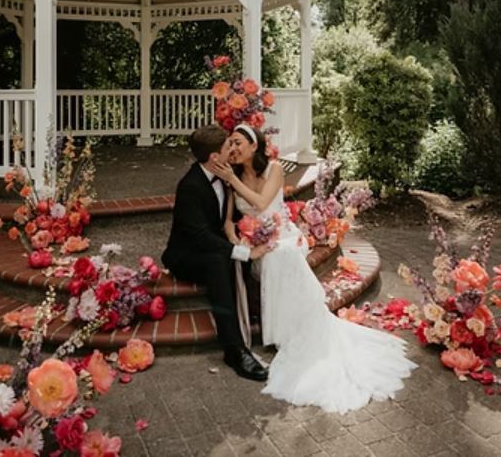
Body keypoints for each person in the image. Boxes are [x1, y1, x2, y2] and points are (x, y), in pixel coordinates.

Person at [210, 123, 417, 414]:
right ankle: (288, 332)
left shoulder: (274, 169)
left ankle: (297, 332)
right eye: (229, 144)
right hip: (259, 243)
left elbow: (261, 202)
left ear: (253, 145)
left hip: (285, 235)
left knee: (283, 255)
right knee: (274, 257)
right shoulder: (231, 183)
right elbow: (229, 221)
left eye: (237, 142)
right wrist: (239, 242)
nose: (232, 148)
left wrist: (233, 178)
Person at [161, 124, 271, 381]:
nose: (231, 149)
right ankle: (234, 350)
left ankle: (252, 310)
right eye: (227, 146)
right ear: (214, 157)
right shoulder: (190, 186)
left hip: (214, 245)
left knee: (227, 255)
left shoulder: (225, 172)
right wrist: (243, 252)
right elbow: (199, 237)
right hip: (186, 255)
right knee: (219, 262)